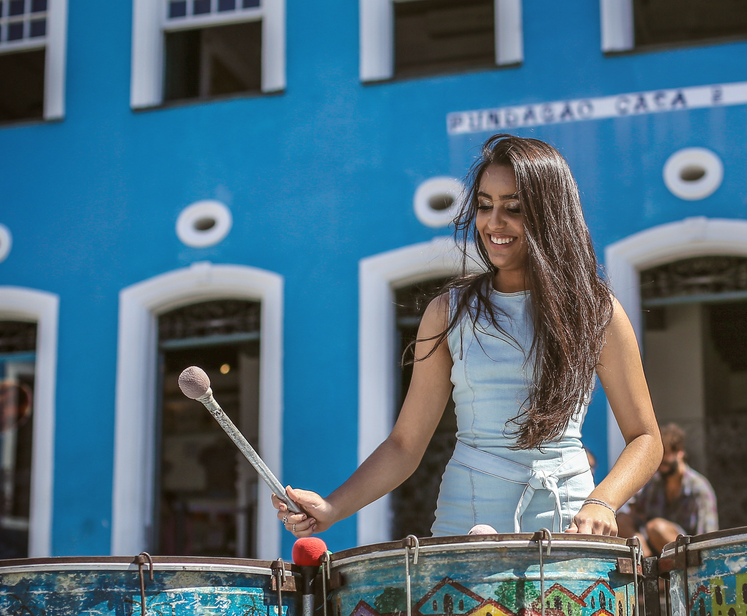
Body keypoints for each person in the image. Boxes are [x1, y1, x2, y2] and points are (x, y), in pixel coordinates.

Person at [275, 134, 662, 539]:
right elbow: (405, 445)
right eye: (484, 205)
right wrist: (333, 507)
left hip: (568, 522)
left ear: (550, 214)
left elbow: (646, 438)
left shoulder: (596, 311)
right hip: (467, 519)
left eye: (513, 208)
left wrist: (603, 501)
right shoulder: (448, 312)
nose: (494, 223)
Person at [617, 422, 717, 556]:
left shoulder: (699, 488)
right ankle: (646, 567)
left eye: (666, 454)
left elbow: (707, 535)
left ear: (679, 452)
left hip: (687, 554)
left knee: (656, 528)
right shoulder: (654, 483)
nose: (661, 462)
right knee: (620, 520)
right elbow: (635, 509)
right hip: (651, 549)